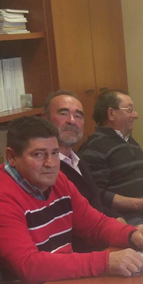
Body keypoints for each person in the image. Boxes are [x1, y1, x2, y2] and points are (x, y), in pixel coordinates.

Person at [0, 116, 143, 284]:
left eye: (54, 153)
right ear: (12, 157)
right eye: (38, 154)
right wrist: (105, 262)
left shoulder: (57, 180)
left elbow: (95, 225)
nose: (50, 163)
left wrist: (132, 234)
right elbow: (29, 266)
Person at [78, 90, 143, 225]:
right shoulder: (94, 147)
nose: (136, 115)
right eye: (129, 110)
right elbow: (98, 195)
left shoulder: (132, 143)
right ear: (111, 113)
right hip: (129, 218)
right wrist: (139, 204)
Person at [42, 90, 119, 219]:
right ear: (45, 119)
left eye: (78, 116)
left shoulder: (78, 160)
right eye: (63, 113)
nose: (72, 121)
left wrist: (117, 219)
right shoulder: (45, 169)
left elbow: (94, 205)